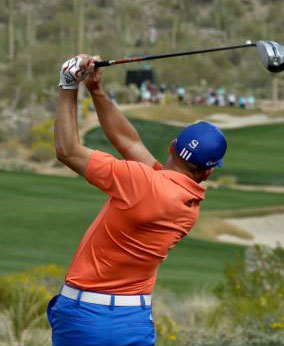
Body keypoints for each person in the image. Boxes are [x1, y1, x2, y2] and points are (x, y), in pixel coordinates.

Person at [48, 54, 227, 346]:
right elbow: (128, 142)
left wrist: (68, 83)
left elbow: (68, 150)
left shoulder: (140, 182)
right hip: (133, 321)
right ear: (208, 171)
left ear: (172, 147)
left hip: (83, 316)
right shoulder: (186, 204)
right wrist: (96, 91)